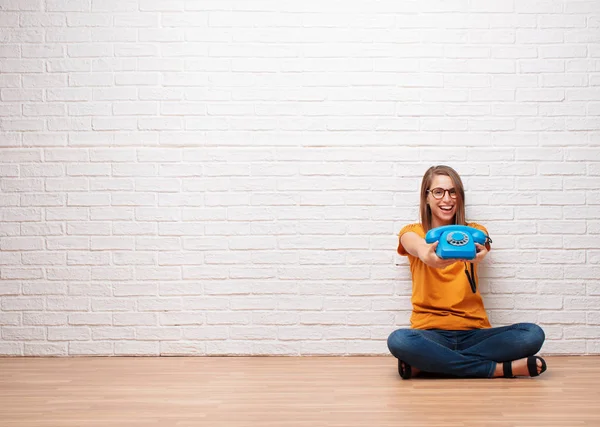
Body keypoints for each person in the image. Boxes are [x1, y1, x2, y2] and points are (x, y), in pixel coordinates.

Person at [387, 165, 547, 379]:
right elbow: (417, 246)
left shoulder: (475, 231)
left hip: (475, 332)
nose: (447, 199)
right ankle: (498, 369)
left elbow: (483, 242)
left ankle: (429, 364)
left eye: (453, 192)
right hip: (430, 333)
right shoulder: (412, 232)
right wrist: (428, 256)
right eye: (438, 192)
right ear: (426, 197)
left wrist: (480, 251)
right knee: (399, 340)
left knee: (532, 334)